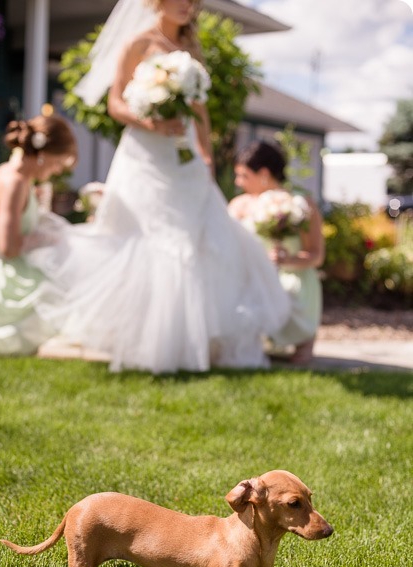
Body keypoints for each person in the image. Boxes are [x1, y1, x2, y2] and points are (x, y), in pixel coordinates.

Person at [39, 0, 291, 373]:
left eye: (194, 1)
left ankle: (197, 340)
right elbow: (115, 102)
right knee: (144, 235)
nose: (189, 6)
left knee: (195, 236)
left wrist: (207, 156)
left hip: (183, 155)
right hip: (145, 155)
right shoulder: (137, 43)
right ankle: (141, 338)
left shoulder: (191, 48)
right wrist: (151, 123)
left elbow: (200, 110)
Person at [0, 114, 77, 354]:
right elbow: (8, 248)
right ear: (43, 156)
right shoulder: (15, 182)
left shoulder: (9, 172)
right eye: (57, 165)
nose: (55, 172)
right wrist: (44, 238)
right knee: (58, 294)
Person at [228, 139, 325, 364]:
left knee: (282, 290)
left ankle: (302, 337)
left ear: (263, 173)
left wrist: (288, 259)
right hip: (249, 277)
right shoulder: (238, 206)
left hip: (291, 277)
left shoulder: (301, 205)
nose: (237, 182)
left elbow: (317, 255)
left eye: (243, 176)